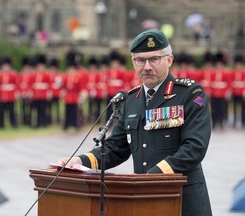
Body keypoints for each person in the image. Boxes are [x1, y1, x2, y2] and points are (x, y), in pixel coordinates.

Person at [52, 29, 212, 216]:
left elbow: (195, 148)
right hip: (144, 200)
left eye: (154, 59)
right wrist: (80, 161)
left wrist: (152, 176)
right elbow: (114, 148)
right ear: (133, 63)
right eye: (140, 60)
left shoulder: (189, 94)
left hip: (182, 199)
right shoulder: (131, 100)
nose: (147, 66)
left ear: (169, 60)